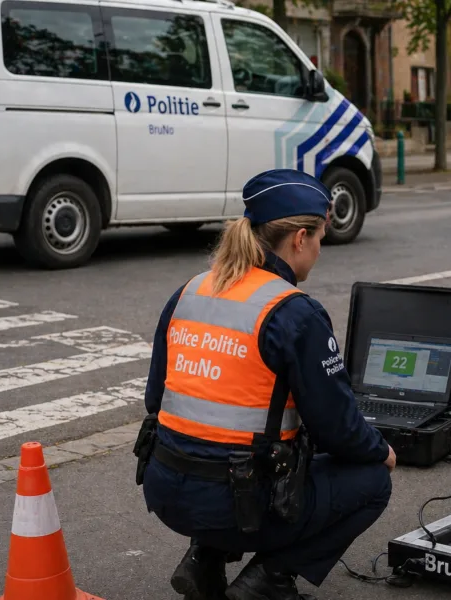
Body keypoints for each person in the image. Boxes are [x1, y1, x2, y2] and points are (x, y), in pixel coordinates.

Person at [136, 168, 396, 600]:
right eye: (320, 237)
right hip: (235, 504)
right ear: (300, 238)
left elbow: (155, 399)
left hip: (164, 489)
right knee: (371, 481)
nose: (320, 249)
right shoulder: (294, 312)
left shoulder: (190, 291)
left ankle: (204, 560)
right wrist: (381, 451)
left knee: (245, 446)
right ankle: (270, 580)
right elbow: (338, 429)